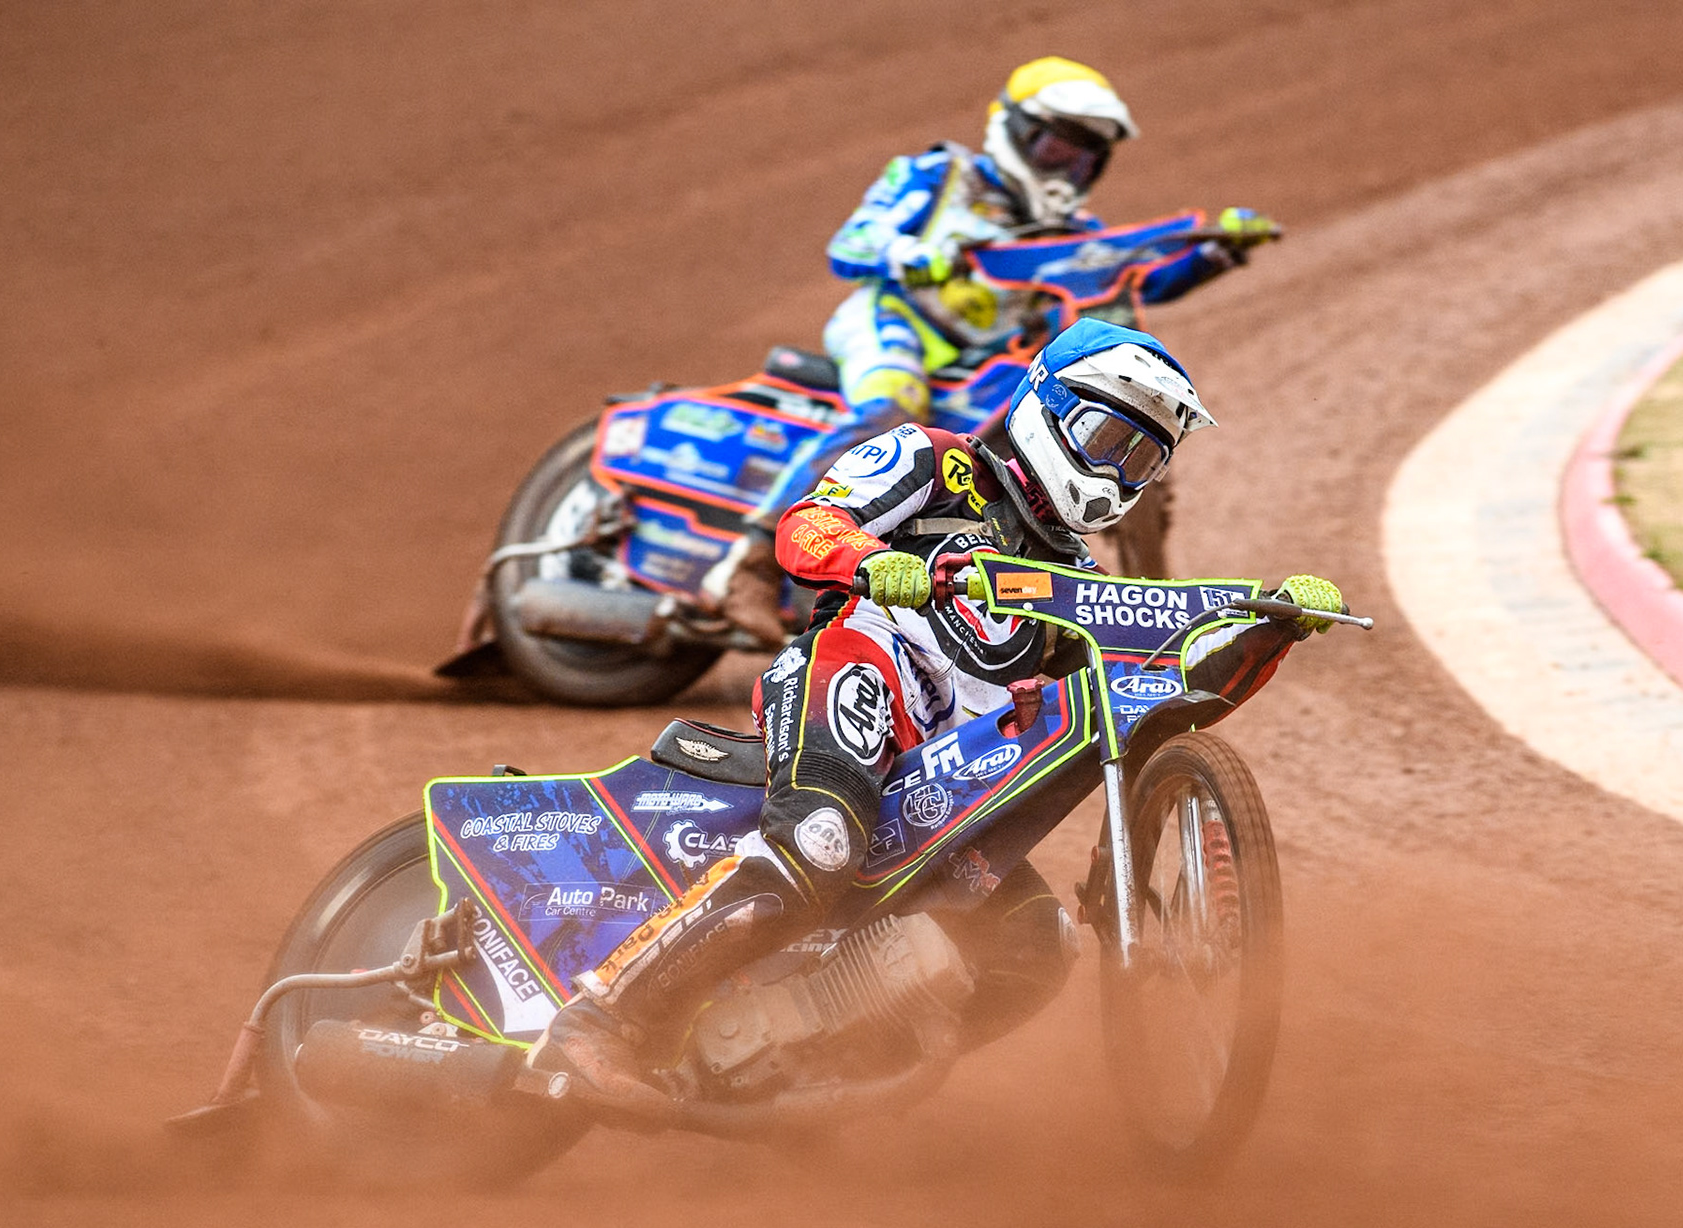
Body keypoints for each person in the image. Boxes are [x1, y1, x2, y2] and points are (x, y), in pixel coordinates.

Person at [530, 317, 1344, 1098]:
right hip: (857, 670)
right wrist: (871, 560)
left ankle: (806, 1072)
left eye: (1141, 459)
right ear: (1047, 407)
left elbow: (1164, 690)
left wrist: (1269, 630)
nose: (1117, 471)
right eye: (1107, 440)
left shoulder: (1084, 582)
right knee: (820, 841)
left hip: (943, 780)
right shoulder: (935, 458)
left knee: (1032, 950)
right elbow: (808, 523)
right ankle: (597, 1021)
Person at [701, 56, 1282, 642]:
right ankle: (749, 563)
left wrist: (1215, 253)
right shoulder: (939, 175)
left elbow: (1132, 281)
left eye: (1085, 158)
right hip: (898, 323)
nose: (1068, 167)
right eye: (1058, 148)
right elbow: (852, 242)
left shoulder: (1075, 231)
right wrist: (911, 255)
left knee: (1088, 434)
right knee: (890, 408)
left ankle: (1150, 614)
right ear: (1015, 129)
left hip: (987, 361)